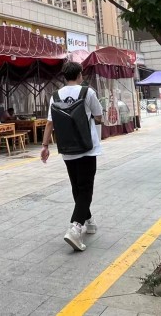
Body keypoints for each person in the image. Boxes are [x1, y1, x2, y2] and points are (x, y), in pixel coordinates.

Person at [41, 61, 103, 252]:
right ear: (79, 75)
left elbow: (50, 123)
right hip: (86, 148)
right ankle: (75, 228)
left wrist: (45, 146)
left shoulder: (55, 96)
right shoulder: (87, 92)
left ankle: (89, 220)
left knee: (77, 187)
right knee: (85, 189)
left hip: (67, 149)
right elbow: (99, 116)